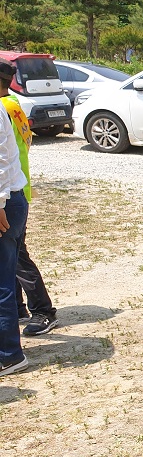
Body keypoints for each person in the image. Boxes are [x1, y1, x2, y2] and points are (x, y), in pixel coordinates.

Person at [1, 90, 58, 335]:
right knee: (12, 257)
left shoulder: (4, 108)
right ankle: (18, 307)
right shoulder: (13, 105)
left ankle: (43, 310)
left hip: (9, 193)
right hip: (17, 187)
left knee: (18, 257)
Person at [0, 61, 29, 375]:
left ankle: (9, 355)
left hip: (7, 202)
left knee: (3, 282)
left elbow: (2, 160)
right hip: (15, 196)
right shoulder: (10, 105)